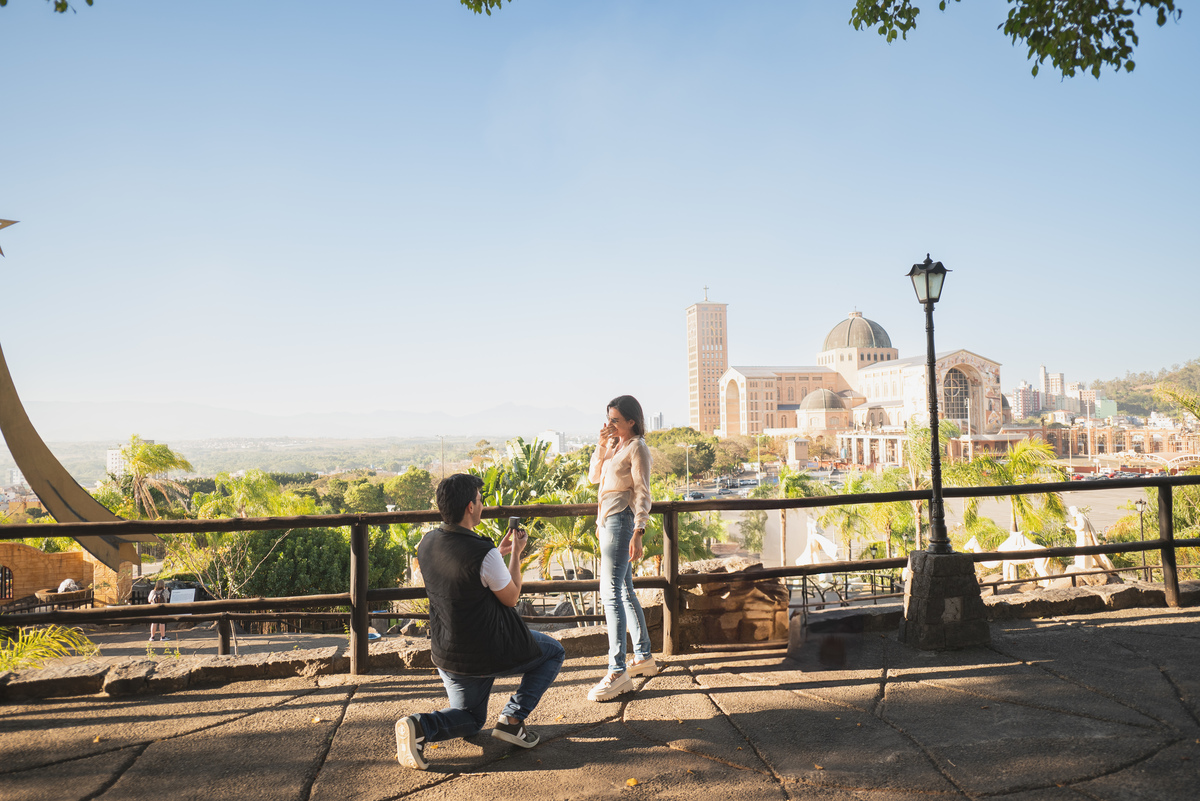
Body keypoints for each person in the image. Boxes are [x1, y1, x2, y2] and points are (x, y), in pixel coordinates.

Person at [395, 473, 565, 771]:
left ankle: (419, 726)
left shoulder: (428, 542)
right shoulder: (483, 553)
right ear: (470, 507)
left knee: (471, 720)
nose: (483, 503)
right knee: (553, 651)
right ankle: (512, 719)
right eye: (480, 499)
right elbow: (511, 598)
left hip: (446, 650)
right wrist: (515, 556)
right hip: (485, 649)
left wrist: (497, 555)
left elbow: (460, 576)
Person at [586, 394, 659, 702]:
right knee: (625, 590)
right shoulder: (615, 446)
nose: (610, 424)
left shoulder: (637, 448)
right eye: (608, 419)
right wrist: (602, 445)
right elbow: (592, 479)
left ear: (631, 421)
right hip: (606, 523)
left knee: (610, 594)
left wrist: (639, 530)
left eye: (615, 420)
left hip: (620, 522)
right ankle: (642, 656)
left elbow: (643, 491)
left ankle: (617, 671)